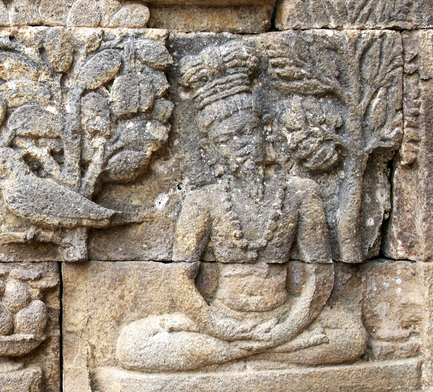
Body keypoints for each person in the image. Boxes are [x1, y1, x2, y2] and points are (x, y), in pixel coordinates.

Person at [116, 42, 365, 372]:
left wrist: (287, 328)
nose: (242, 145)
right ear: (211, 150)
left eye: (248, 132)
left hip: (282, 319)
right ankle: (253, 354)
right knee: (132, 345)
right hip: (220, 321)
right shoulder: (203, 201)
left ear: (265, 133)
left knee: (351, 336)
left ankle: (236, 354)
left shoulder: (301, 194)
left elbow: (320, 276)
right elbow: (181, 281)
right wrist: (219, 328)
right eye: (227, 140)